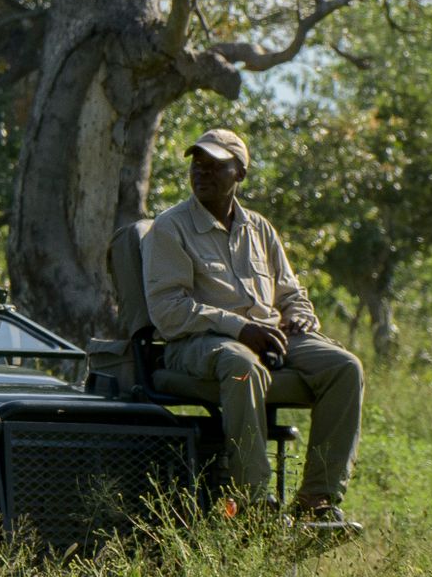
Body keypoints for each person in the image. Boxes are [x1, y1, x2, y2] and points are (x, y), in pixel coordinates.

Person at [142, 127, 364, 530]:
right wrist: (239, 328)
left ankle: (317, 498)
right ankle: (254, 503)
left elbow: (291, 292)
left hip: (271, 337)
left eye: (216, 166)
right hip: (197, 343)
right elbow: (169, 312)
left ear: (239, 174)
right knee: (242, 366)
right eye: (198, 163)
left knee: (345, 367)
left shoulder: (259, 229)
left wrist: (299, 317)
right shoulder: (170, 228)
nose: (202, 173)